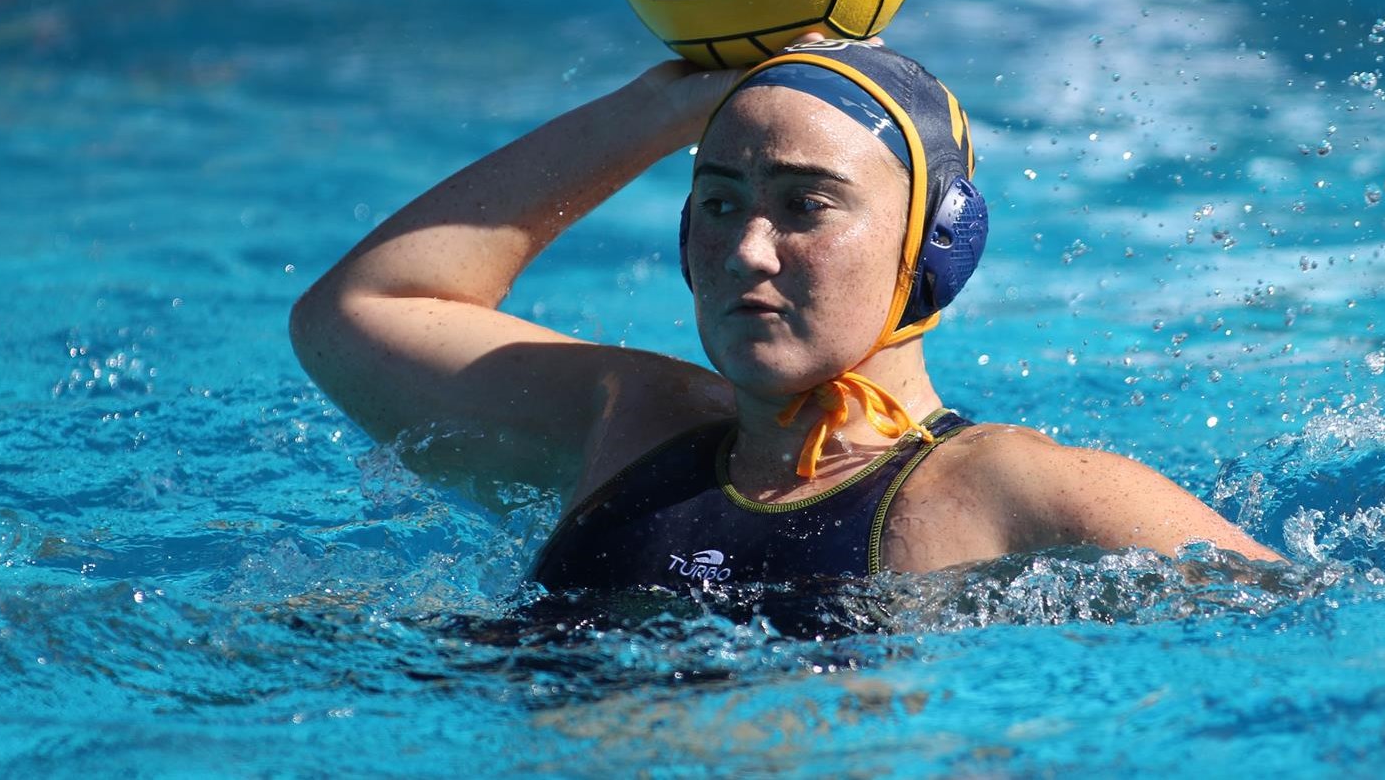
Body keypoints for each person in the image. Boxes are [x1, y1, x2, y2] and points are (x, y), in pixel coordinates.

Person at [289, 36, 1278, 593]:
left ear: (938, 246)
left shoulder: (1009, 490)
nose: (747, 250)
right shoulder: (627, 421)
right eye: (718, 201)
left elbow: (1301, 619)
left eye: (806, 203)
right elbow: (355, 309)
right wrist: (660, 110)